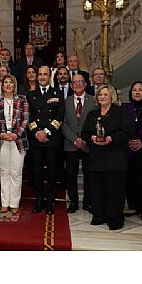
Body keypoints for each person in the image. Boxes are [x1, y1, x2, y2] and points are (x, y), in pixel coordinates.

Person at [81, 85, 134, 230]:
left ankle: (115, 219)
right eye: (100, 95)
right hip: (96, 158)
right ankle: (99, 215)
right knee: (97, 189)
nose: (102, 97)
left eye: (105, 94)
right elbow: (84, 132)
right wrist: (91, 137)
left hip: (115, 158)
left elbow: (128, 131)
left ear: (112, 96)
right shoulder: (92, 114)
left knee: (115, 190)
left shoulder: (120, 112)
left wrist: (111, 138)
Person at [0, 74, 29, 214]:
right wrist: (1, 134)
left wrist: (16, 134)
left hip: (18, 140)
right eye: (5, 82)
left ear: (14, 85)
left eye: (10, 82)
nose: (8, 85)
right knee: (4, 172)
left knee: (16, 172)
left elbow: (25, 119)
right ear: (2, 85)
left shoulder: (22, 99)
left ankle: (15, 203)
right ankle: (5, 203)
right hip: (2, 140)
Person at [27, 66, 65, 214]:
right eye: (40, 74)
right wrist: (37, 132)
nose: (42, 77)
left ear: (50, 76)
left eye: (45, 74)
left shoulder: (58, 94)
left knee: (52, 172)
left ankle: (50, 201)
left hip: (52, 139)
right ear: (37, 76)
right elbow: (29, 115)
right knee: (35, 172)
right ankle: (38, 200)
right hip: (36, 139)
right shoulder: (31, 95)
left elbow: (60, 116)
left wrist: (47, 131)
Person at [122, 81, 142, 221]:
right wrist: (128, 141)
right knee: (130, 178)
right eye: (134, 90)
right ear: (131, 93)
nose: (137, 92)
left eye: (140, 90)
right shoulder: (125, 107)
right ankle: (133, 206)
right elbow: (121, 126)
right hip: (128, 149)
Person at [62, 74, 96, 213]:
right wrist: (75, 139)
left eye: (80, 82)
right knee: (71, 175)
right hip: (70, 144)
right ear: (71, 86)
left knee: (89, 174)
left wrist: (84, 139)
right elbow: (63, 123)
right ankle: (73, 202)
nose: (78, 84)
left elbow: (96, 122)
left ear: (85, 84)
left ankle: (88, 202)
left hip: (88, 144)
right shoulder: (66, 101)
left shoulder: (93, 101)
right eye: (75, 82)